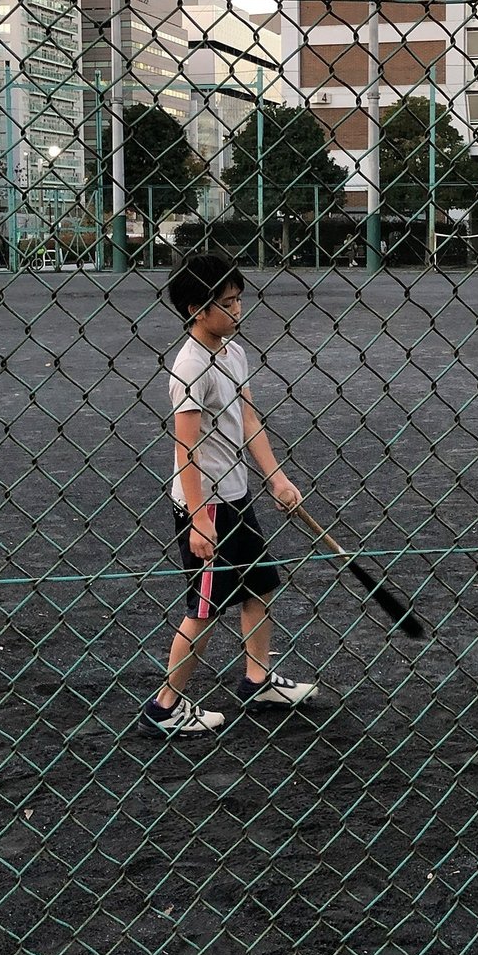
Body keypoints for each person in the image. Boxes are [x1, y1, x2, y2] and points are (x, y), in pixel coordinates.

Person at [141, 253, 316, 737]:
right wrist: (199, 520)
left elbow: (249, 420)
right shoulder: (191, 367)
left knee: (260, 585)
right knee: (205, 608)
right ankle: (164, 707)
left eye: (240, 300)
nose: (238, 311)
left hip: (236, 496)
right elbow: (186, 448)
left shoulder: (233, 353)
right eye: (229, 303)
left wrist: (276, 478)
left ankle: (258, 680)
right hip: (206, 505)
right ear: (199, 308)